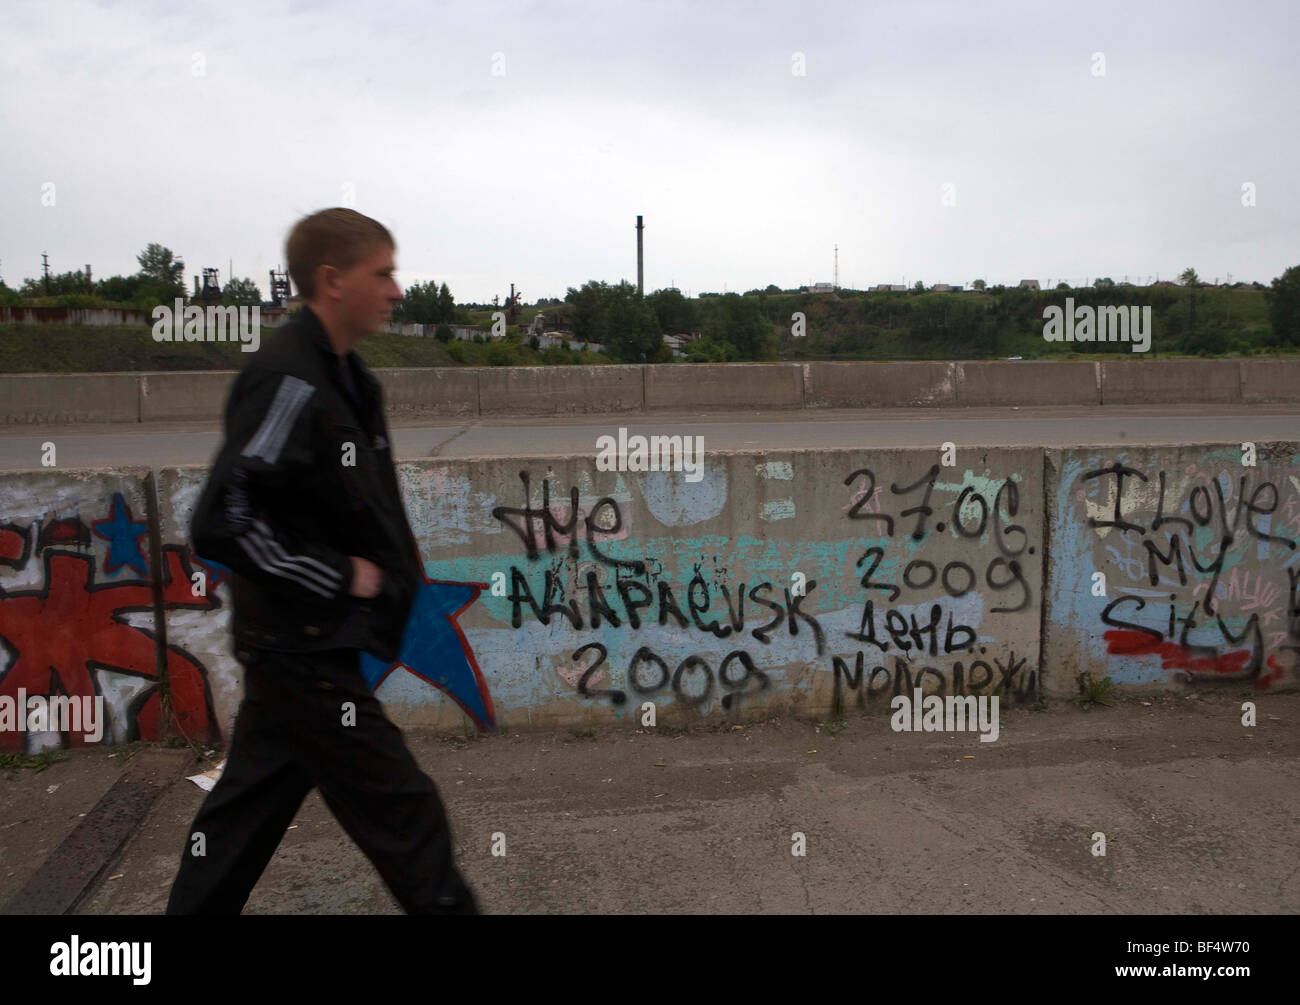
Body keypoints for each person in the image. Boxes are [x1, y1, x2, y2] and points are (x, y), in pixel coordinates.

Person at [165, 208, 478, 915]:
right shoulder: (290, 379)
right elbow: (226, 518)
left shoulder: (345, 377)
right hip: (303, 650)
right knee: (409, 818)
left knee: (239, 824)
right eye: (384, 273)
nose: (398, 289)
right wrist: (341, 574)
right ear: (333, 280)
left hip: (304, 647)